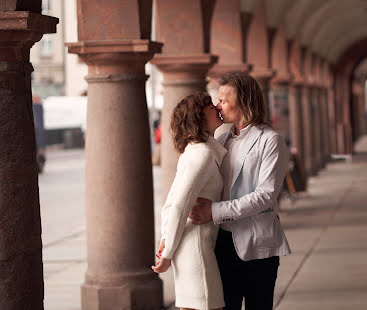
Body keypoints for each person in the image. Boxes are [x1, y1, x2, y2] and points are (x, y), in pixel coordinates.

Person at [189, 73, 291, 310]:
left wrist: (214, 211)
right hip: (222, 243)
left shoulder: (270, 140)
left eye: (224, 99)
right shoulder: (222, 138)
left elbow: (265, 196)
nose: (217, 105)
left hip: (258, 245)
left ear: (244, 101)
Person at [151, 92, 227, 310]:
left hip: (192, 247)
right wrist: (166, 253)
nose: (216, 107)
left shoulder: (195, 151)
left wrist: (167, 239)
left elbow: (171, 203)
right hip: (197, 251)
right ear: (199, 117)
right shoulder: (201, 153)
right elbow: (178, 205)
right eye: (210, 106)